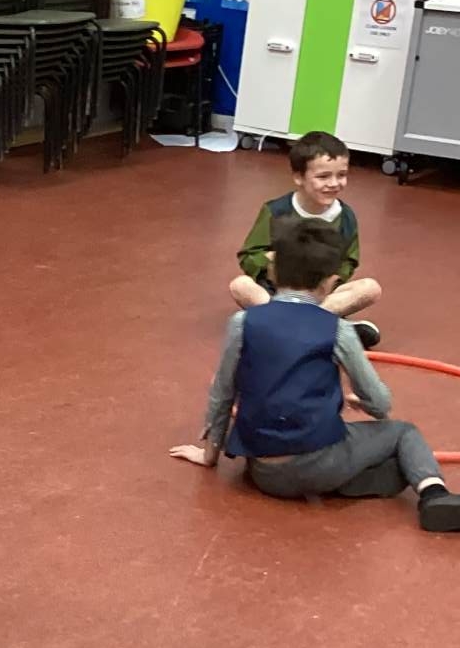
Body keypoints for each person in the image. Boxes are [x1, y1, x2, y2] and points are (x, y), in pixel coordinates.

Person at [171, 221, 460, 532]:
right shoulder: (339, 330)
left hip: (264, 472)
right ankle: (433, 494)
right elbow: (381, 404)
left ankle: (351, 478)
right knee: (403, 434)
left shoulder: (242, 322)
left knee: (370, 464)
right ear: (330, 282)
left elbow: (222, 392)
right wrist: (363, 402)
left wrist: (210, 454)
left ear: (273, 271)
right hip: (321, 461)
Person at [231, 131, 382, 346]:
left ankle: (287, 326)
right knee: (240, 285)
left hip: (322, 293)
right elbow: (249, 255)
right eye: (323, 177)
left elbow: (349, 261)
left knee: (370, 288)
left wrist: (329, 278)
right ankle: (329, 328)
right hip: (278, 292)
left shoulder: (346, 217)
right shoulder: (276, 211)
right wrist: (272, 262)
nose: (334, 183)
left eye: (341, 175)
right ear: (299, 177)